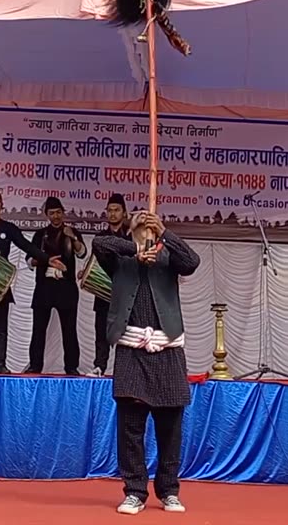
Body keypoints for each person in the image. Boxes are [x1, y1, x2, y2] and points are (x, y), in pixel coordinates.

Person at [92, 211, 199, 515]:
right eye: (138, 221)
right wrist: (135, 249)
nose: (143, 224)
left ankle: (169, 490)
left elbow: (192, 262)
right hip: (132, 349)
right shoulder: (119, 258)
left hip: (166, 349)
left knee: (170, 427)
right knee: (130, 427)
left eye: (148, 221)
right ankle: (135, 490)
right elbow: (100, 243)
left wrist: (163, 231)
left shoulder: (169, 257)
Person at [0, 187, 62, 374]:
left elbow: (26, 246)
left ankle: (0, 363)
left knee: (0, 328)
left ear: (2, 205)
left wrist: (47, 259)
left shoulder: (8, 228)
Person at [24, 197, 86, 375]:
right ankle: (35, 365)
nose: (56, 216)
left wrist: (72, 237)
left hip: (66, 287)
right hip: (44, 286)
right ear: (47, 215)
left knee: (69, 329)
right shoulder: (40, 235)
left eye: (58, 212)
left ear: (63, 212)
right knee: (38, 329)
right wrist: (45, 261)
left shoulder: (72, 231)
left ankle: (71, 367)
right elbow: (29, 261)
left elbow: (82, 253)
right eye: (52, 213)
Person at [90, 193, 132, 377]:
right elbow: (95, 264)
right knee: (102, 333)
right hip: (104, 295)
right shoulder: (100, 238)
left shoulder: (131, 238)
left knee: (128, 335)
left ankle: (127, 371)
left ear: (124, 213)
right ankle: (99, 366)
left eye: (117, 210)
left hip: (125, 295)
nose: (113, 214)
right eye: (110, 210)